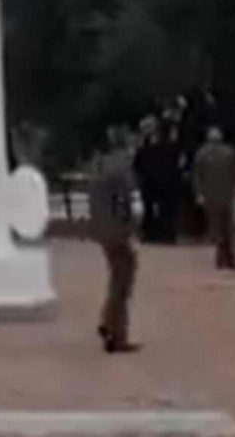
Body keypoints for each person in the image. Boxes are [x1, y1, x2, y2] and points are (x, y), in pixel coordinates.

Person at [88, 126, 140, 354]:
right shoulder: (122, 168)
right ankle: (115, 330)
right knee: (123, 279)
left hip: (101, 228)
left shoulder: (98, 166)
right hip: (118, 230)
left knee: (117, 275)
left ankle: (110, 322)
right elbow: (130, 202)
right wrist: (132, 227)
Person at [193, 126, 235, 271]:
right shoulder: (229, 153)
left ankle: (222, 256)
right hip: (226, 194)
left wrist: (199, 193)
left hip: (210, 195)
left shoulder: (201, 153)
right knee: (226, 227)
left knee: (216, 226)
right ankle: (227, 257)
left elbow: (197, 176)